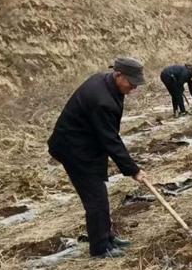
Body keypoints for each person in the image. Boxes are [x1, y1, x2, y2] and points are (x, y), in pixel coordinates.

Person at [48, 58, 150, 259]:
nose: (134, 88)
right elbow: (110, 139)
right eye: (132, 83)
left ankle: (107, 237)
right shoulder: (101, 100)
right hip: (73, 150)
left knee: (99, 195)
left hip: (86, 144)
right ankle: (100, 248)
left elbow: (107, 135)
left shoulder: (107, 83)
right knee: (96, 199)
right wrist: (133, 170)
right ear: (119, 74)